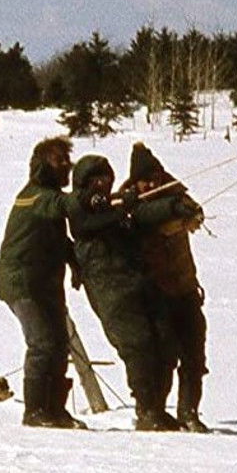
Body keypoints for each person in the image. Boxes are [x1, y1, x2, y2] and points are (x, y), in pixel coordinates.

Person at [68, 153, 182, 432]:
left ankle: (157, 406)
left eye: (107, 178)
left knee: (167, 341)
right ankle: (146, 409)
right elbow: (88, 223)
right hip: (110, 291)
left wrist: (174, 207)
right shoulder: (79, 207)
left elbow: (143, 215)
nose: (104, 184)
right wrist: (120, 209)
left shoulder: (114, 205)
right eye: (97, 179)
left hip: (138, 283)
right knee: (138, 345)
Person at [0, 136, 88, 429]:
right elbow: (61, 206)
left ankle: (55, 409)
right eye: (59, 160)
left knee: (59, 344)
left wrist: (74, 263)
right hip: (21, 283)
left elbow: (59, 239)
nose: (66, 166)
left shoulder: (47, 197)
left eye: (67, 160)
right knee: (42, 343)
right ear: (42, 165)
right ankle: (34, 410)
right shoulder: (35, 196)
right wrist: (91, 197)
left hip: (45, 284)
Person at [123, 143, 211, 433]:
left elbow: (194, 211)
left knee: (194, 355)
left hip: (185, 288)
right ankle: (155, 412)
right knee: (164, 355)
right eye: (145, 179)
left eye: (155, 177)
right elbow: (144, 217)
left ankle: (189, 412)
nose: (151, 183)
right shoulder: (128, 203)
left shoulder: (175, 193)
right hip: (155, 291)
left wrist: (190, 213)